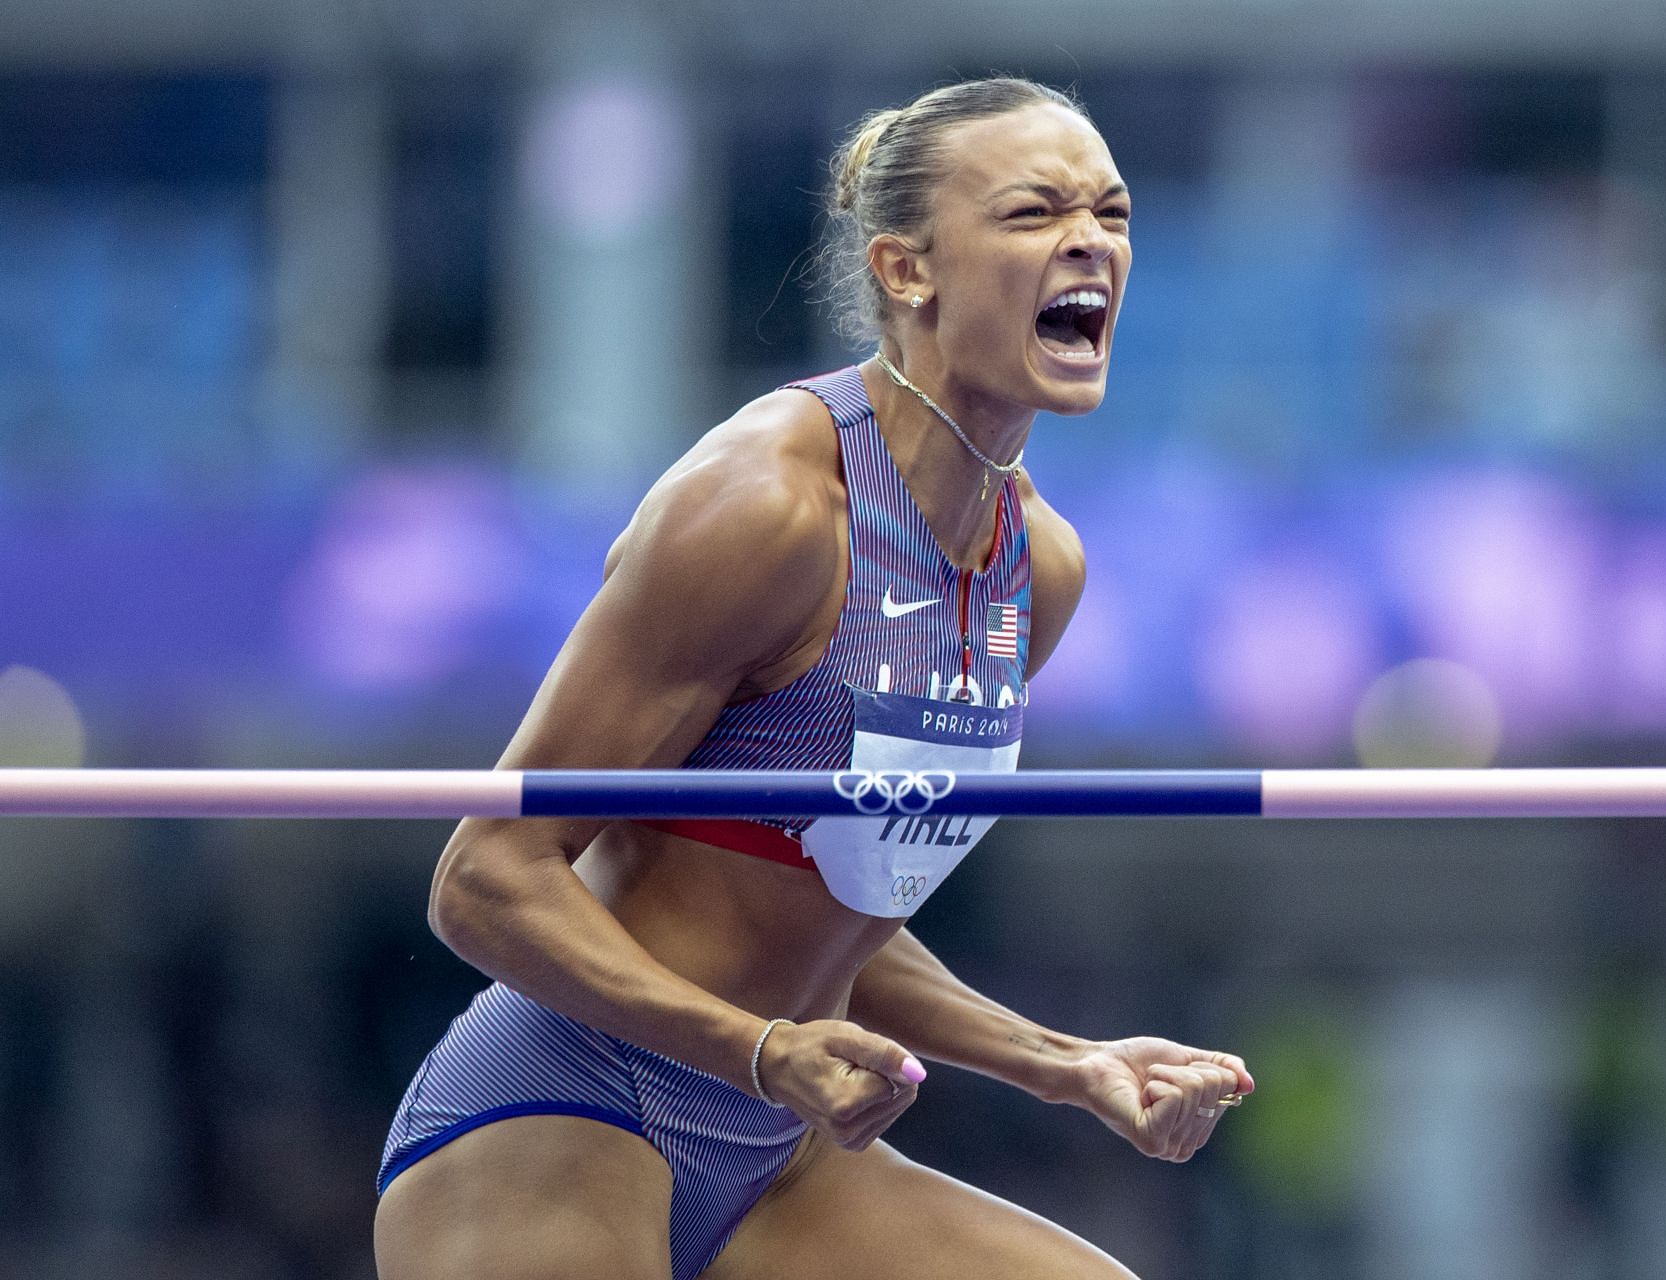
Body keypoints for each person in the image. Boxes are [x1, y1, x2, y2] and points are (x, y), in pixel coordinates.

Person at [372, 77, 1254, 1280]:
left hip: (780, 1153)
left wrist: (1064, 1062)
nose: (1090, 239)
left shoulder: (1038, 568)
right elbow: (482, 879)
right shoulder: (770, 507)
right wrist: (753, 1044)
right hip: (568, 1109)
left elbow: (835, 913)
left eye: (1111, 210)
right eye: (1033, 211)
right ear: (907, 271)